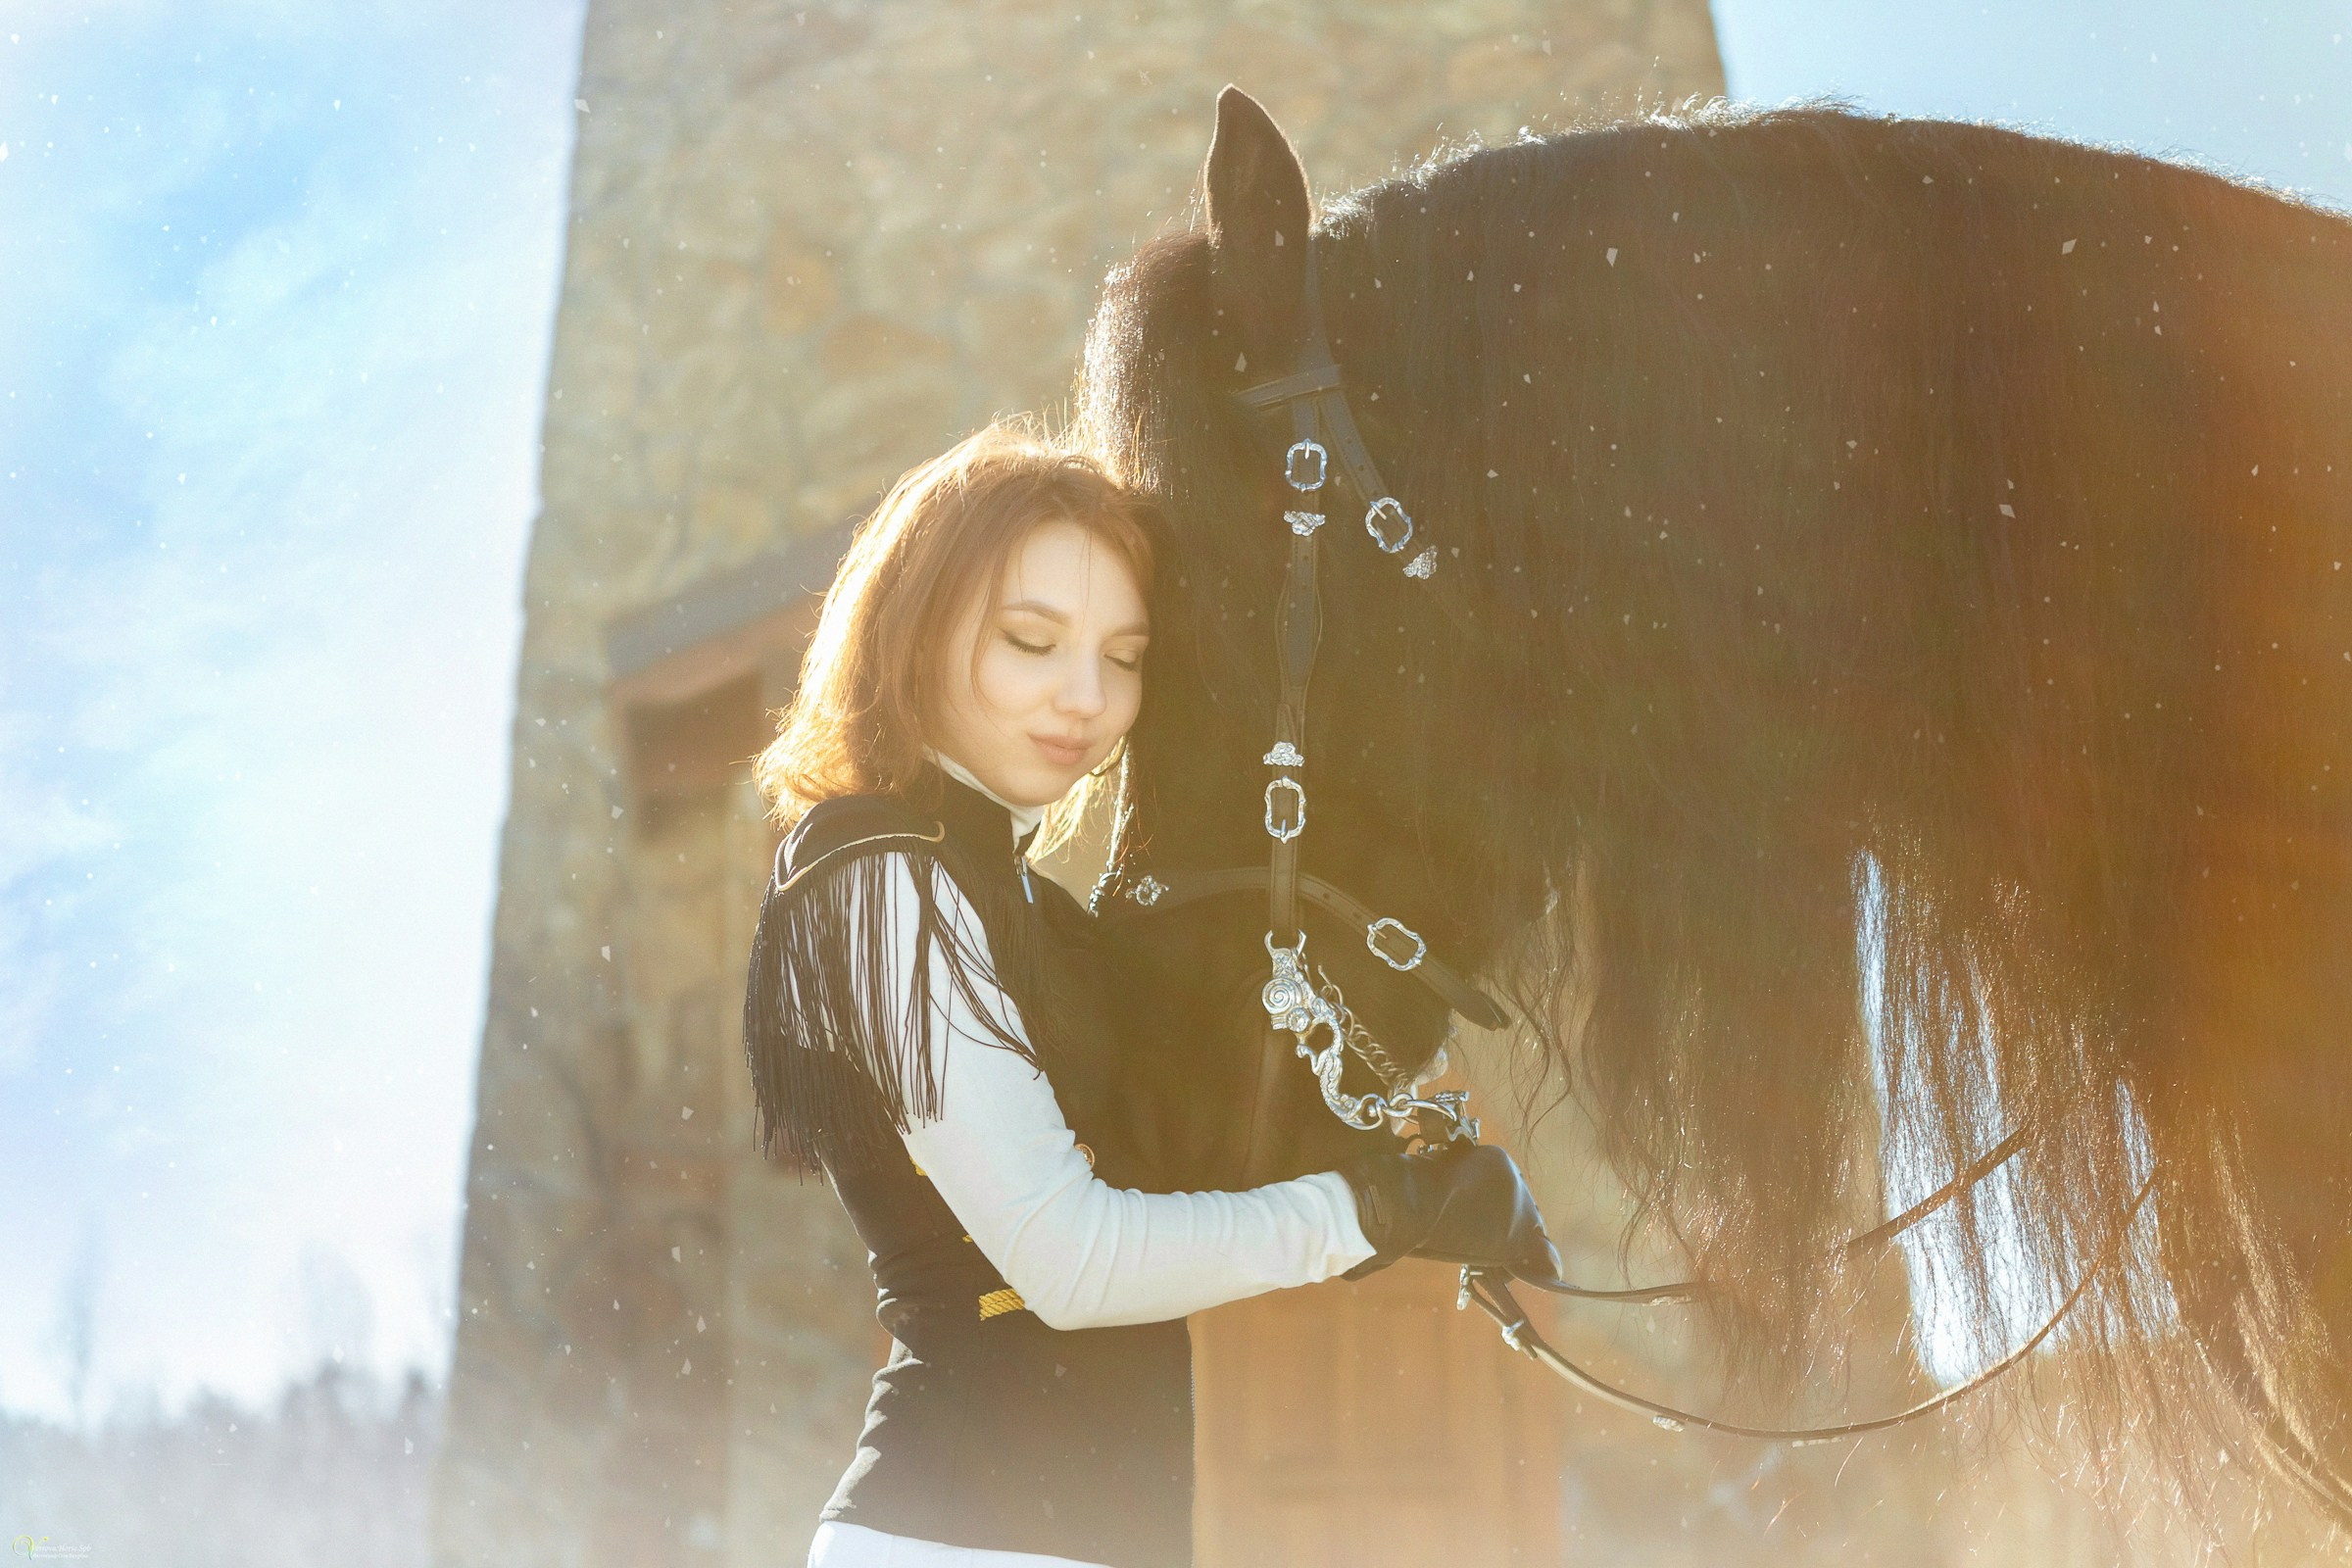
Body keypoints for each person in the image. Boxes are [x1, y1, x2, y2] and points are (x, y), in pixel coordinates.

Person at [741, 420, 1559, 1568]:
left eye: (1124, 657)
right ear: (916, 631)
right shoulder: (872, 874)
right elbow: (1068, 1262)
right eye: (1032, 640)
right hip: (953, 1540)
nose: (1086, 697)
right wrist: (1368, 1215)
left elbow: (1190, 1152)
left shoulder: (1026, 909)